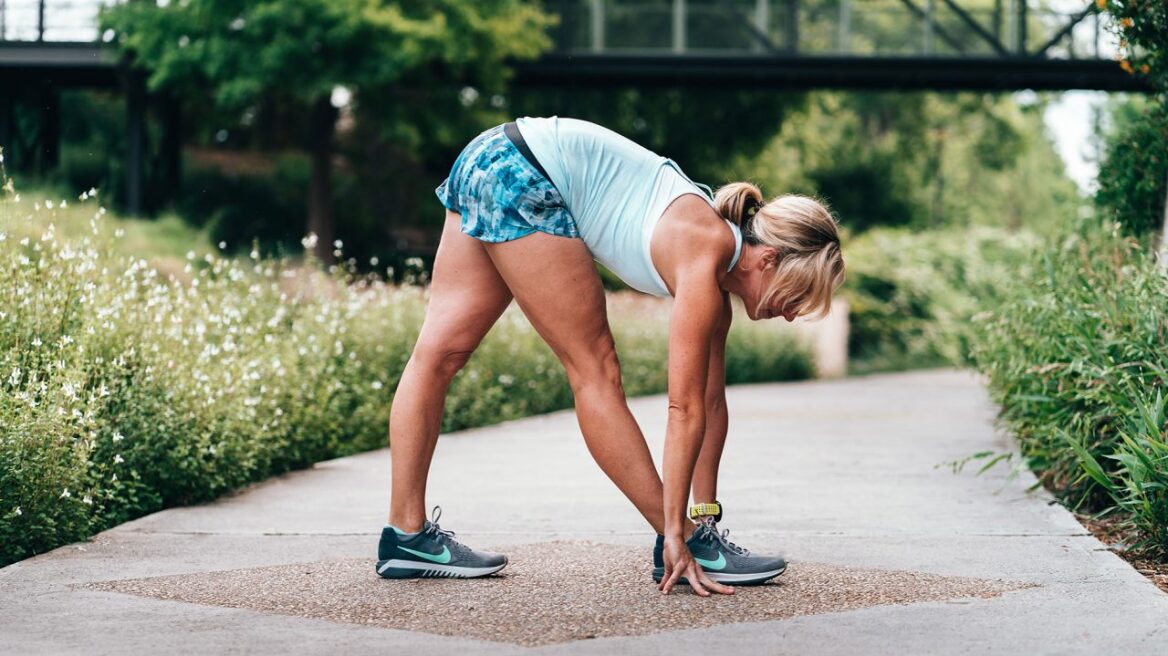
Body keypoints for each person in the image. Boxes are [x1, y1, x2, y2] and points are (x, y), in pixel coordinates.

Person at [376, 116, 846, 596]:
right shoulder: (704, 253)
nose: (791, 316)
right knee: (595, 370)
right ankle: (676, 541)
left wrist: (703, 514)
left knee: (438, 355)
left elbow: (711, 406)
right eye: (797, 296)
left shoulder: (712, 263)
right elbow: (683, 411)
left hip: (491, 156)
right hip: (527, 172)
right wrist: (676, 532)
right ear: (769, 260)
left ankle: (405, 536)